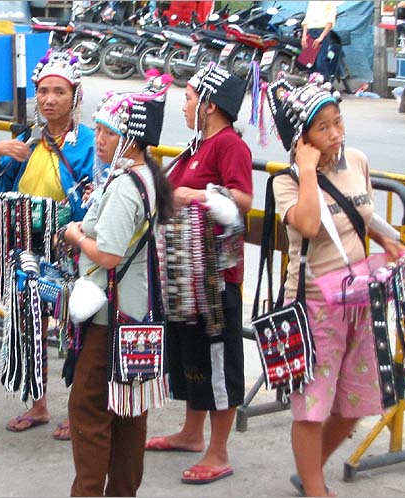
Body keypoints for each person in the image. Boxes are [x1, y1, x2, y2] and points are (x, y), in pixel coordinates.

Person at [267, 74, 405, 497]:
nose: (335, 134)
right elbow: (309, 224)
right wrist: (307, 170)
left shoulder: (357, 161)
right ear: (301, 138)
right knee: (312, 407)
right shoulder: (287, 181)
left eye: (338, 122)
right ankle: (314, 487)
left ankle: (309, 470)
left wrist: (386, 238)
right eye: (323, 127)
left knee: (358, 401)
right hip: (313, 305)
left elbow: (360, 213)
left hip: (359, 297)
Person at [63, 71, 174, 497]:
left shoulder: (127, 185)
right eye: (102, 130)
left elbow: (107, 255)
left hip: (110, 318)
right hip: (137, 315)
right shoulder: (146, 177)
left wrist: (74, 234)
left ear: (130, 139)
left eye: (110, 132)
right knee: (129, 412)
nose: (102, 139)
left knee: (89, 410)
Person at [0, 50, 95, 440]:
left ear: (74, 96)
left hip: (71, 247)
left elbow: (98, 196)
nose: (49, 100)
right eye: (43, 91)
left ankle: (79, 408)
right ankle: (38, 403)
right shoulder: (25, 141)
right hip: (27, 248)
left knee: (77, 325)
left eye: (58, 92)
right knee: (28, 324)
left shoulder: (89, 144)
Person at [145, 63, 253, 485]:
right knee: (190, 353)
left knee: (218, 359)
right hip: (185, 274)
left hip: (215, 279)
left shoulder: (229, 146)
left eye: (189, 98)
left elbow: (242, 198)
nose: (184, 105)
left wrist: (198, 195)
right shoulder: (196, 146)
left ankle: (219, 449)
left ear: (209, 105)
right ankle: (191, 433)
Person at [301, 1, 338, 81]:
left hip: (322, 32)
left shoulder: (331, 3)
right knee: (309, 64)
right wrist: (304, 36)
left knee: (320, 63)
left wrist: (321, 38)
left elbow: (330, 22)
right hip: (310, 32)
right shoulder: (312, 2)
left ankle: (328, 84)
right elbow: (306, 19)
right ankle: (312, 88)